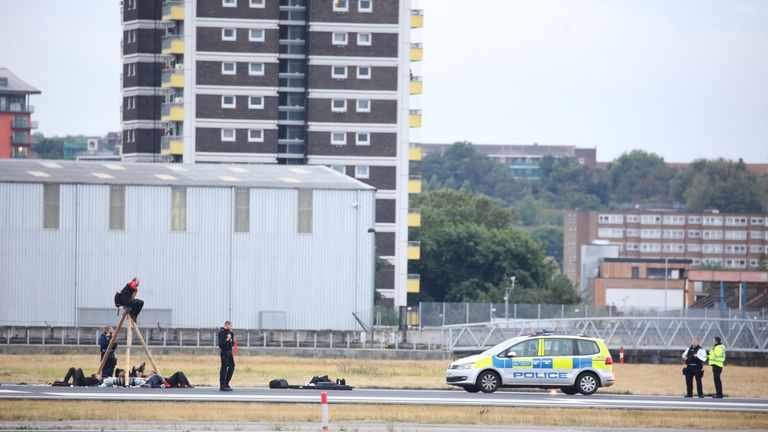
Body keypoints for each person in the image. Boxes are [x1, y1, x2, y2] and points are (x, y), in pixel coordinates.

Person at [218, 320, 235, 391]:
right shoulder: (222, 332)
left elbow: (232, 344)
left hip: (229, 352)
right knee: (224, 368)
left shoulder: (230, 332)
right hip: (224, 352)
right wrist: (227, 339)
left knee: (232, 367)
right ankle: (222, 385)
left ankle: (226, 383)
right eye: (230, 325)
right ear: (226, 325)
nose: (231, 327)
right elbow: (221, 344)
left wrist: (231, 339)